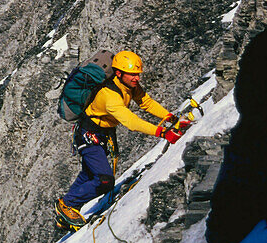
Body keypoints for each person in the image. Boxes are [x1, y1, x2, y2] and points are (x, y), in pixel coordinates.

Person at [54, 50, 188, 230]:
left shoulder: (129, 86)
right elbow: (131, 122)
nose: (136, 78)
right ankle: (67, 204)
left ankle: (68, 208)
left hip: (100, 133)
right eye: (132, 74)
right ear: (118, 73)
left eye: (137, 74)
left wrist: (170, 117)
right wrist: (163, 133)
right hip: (89, 134)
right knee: (104, 179)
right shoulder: (110, 96)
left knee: (89, 173)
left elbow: (145, 102)